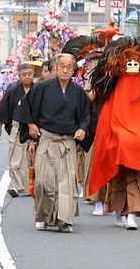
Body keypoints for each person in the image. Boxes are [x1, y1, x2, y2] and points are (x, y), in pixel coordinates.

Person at [87, 36, 140, 231]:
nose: (132, 67)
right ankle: (119, 212)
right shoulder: (118, 86)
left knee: (135, 177)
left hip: (136, 140)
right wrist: (117, 136)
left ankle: (131, 215)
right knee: (117, 176)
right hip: (119, 138)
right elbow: (110, 118)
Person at [16, 54, 93, 233]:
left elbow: (87, 116)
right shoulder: (42, 88)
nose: (65, 70)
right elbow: (25, 107)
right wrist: (30, 125)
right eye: (62, 66)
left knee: (66, 184)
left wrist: (83, 129)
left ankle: (65, 220)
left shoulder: (78, 92)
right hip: (47, 139)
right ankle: (43, 216)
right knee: (44, 182)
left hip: (67, 142)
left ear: (74, 70)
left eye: (69, 67)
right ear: (56, 68)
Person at [0, 63, 36, 197]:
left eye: (30, 74)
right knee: (15, 158)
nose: (27, 77)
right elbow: (4, 108)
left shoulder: (38, 90)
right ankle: (17, 186)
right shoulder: (13, 91)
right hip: (17, 127)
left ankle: (31, 186)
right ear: (19, 76)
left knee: (30, 159)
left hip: (35, 128)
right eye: (24, 75)